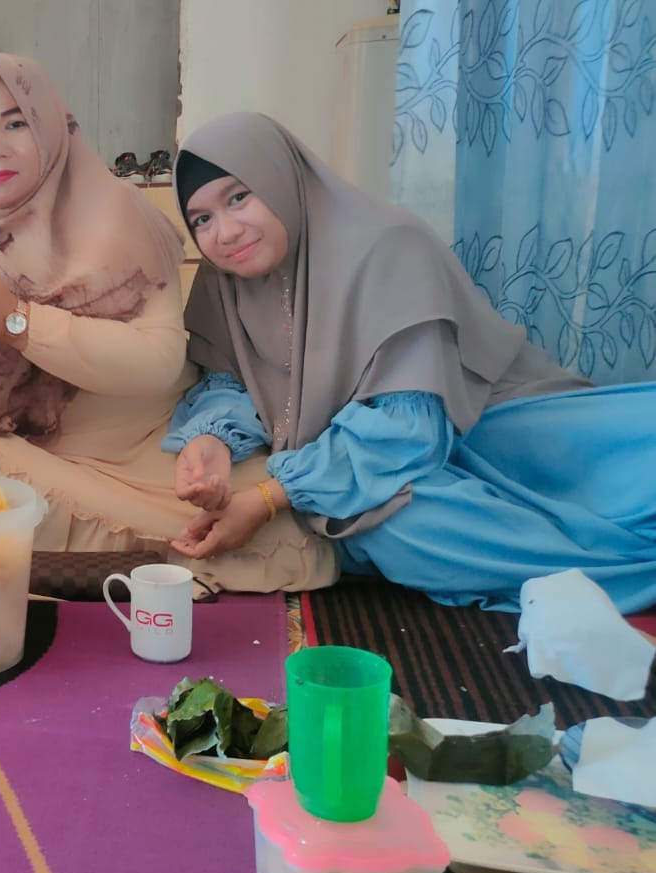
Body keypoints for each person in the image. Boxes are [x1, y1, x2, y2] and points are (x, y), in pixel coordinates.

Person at [0, 54, 336, 594]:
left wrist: (17, 322)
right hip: (28, 472)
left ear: (49, 128)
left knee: (263, 513)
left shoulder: (116, 215)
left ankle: (83, 558)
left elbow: (158, 362)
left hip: (149, 460)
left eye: (16, 123)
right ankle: (137, 561)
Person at [168, 110, 656, 613]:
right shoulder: (224, 282)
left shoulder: (387, 245)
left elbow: (411, 428)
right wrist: (212, 441)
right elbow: (226, 377)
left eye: (238, 197)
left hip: (492, 429)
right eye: (202, 219)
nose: (225, 232)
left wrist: (270, 497)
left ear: (279, 178)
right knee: (392, 529)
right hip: (375, 471)